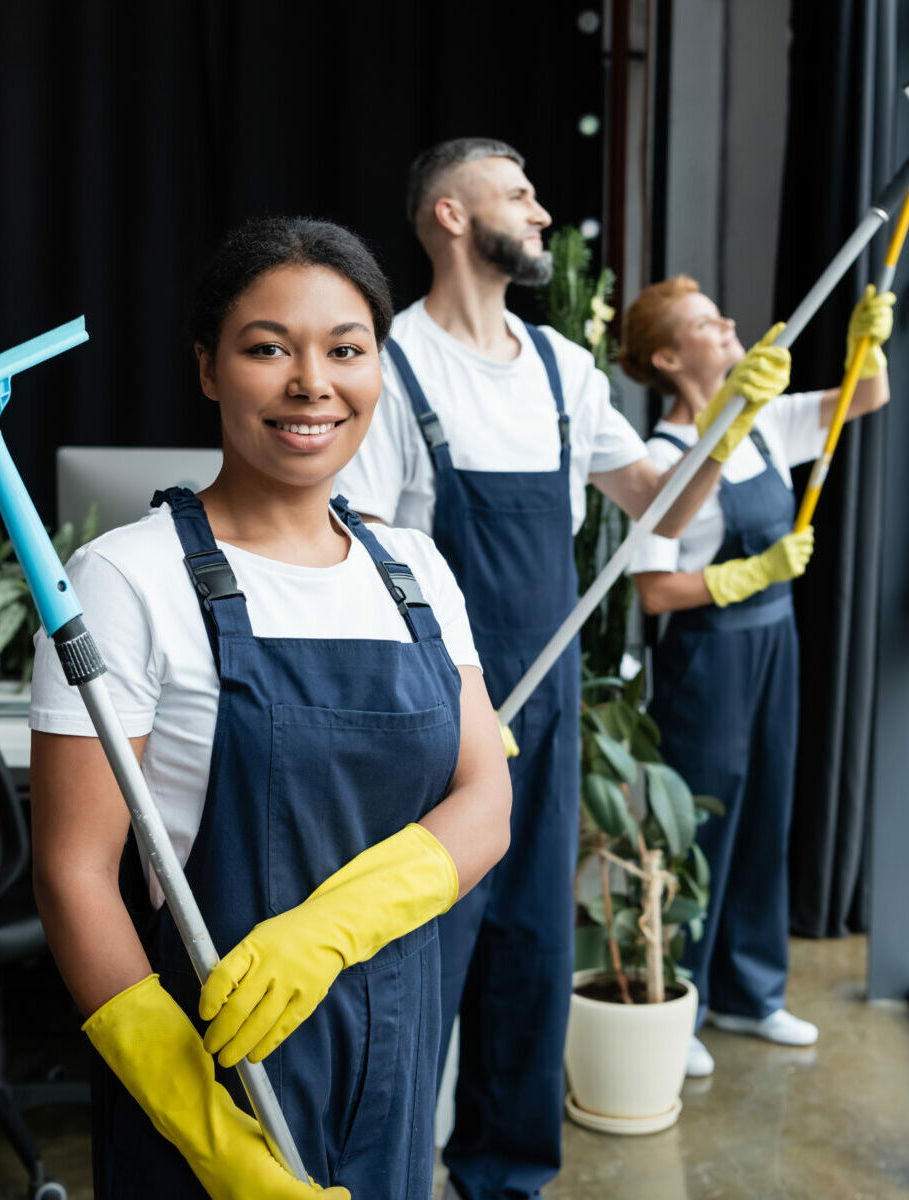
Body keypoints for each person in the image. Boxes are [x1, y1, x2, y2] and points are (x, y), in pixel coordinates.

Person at [333, 137, 790, 1200]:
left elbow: (663, 512)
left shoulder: (560, 368)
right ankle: (387, 1176)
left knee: (535, 949)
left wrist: (726, 428)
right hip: (440, 712)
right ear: (450, 215)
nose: (540, 213)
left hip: (549, 706)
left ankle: (505, 1180)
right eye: (518, 194)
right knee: (423, 954)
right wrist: (444, 702)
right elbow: (365, 558)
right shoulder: (392, 365)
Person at [28, 216, 513, 1200]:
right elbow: (74, 874)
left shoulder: (413, 569)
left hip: (396, 1048)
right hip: (211, 1064)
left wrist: (327, 929)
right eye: (267, 349)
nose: (311, 383)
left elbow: (486, 799)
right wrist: (214, 1142)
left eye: (346, 349)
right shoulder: (125, 578)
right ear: (208, 369)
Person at [619, 274, 894, 1079]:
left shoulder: (765, 420)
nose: (730, 323)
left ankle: (750, 993)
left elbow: (864, 398)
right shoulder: (662, 458)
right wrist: (742, 577)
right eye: (706, 322)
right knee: (702, 826)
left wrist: (866, 343)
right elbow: (653, 590)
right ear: (669, 357)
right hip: (708, 652)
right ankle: (685, 1001)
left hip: (776, 643)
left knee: (768, 810)